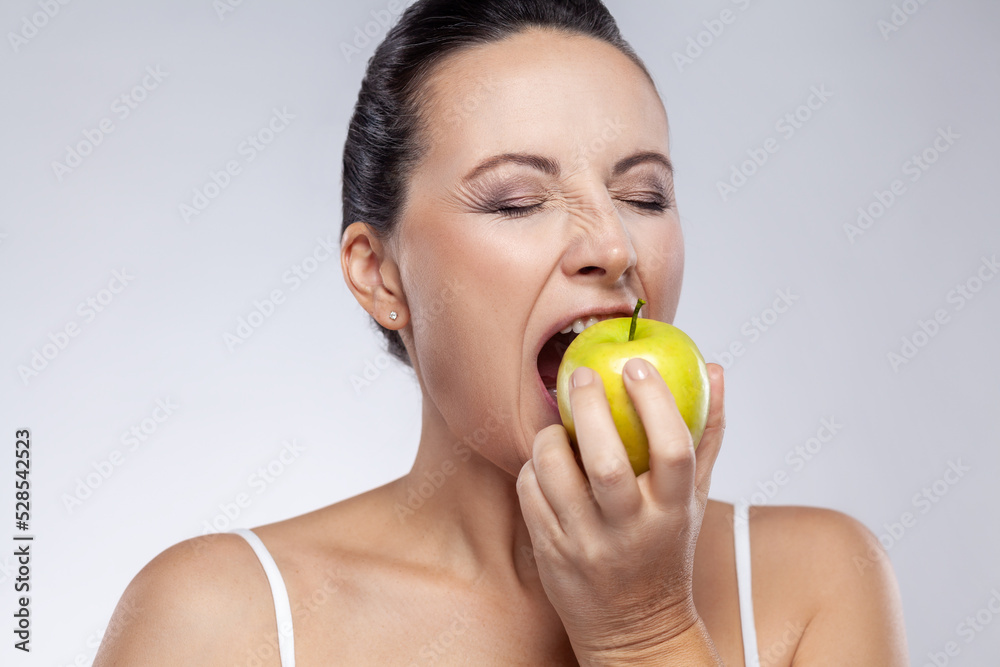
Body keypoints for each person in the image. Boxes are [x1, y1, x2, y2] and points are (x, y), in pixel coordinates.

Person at [95, 1, 909, 664]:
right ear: (380, 275)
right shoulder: (218, 620)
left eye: (645, 197)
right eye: (518, 202)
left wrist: (647, 630)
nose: (614, 246)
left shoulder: (820, 580)